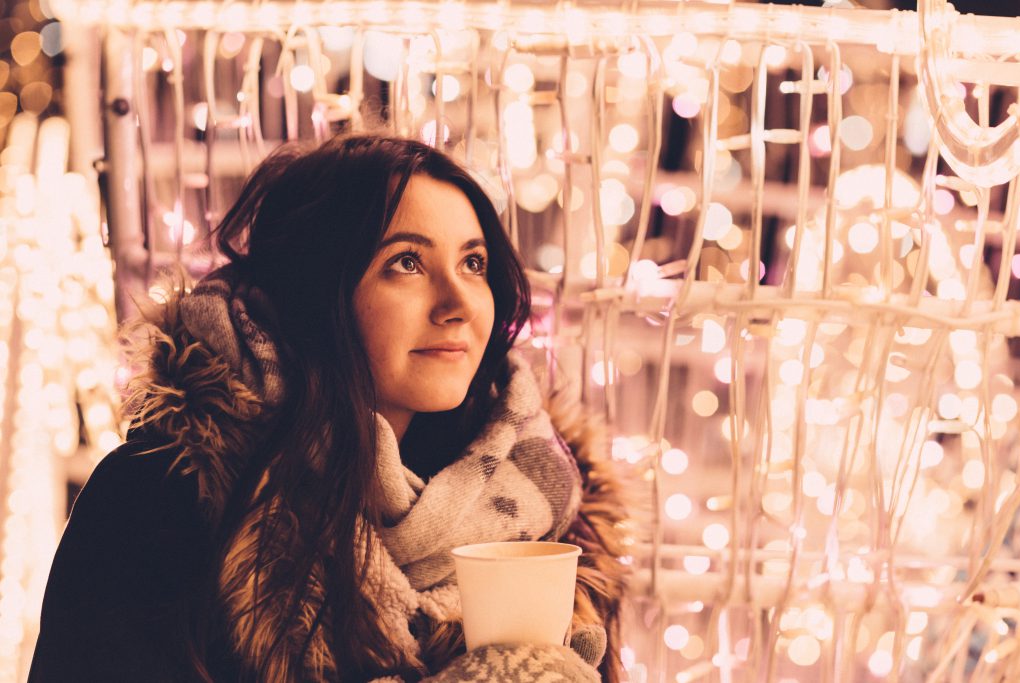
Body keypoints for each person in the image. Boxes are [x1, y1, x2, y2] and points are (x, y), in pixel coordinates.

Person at [29, 134, 629, 682]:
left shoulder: (545, 504)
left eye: (473, 263)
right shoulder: (161, 498)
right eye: (407, 263)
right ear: (317, 294)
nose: (458, 304)